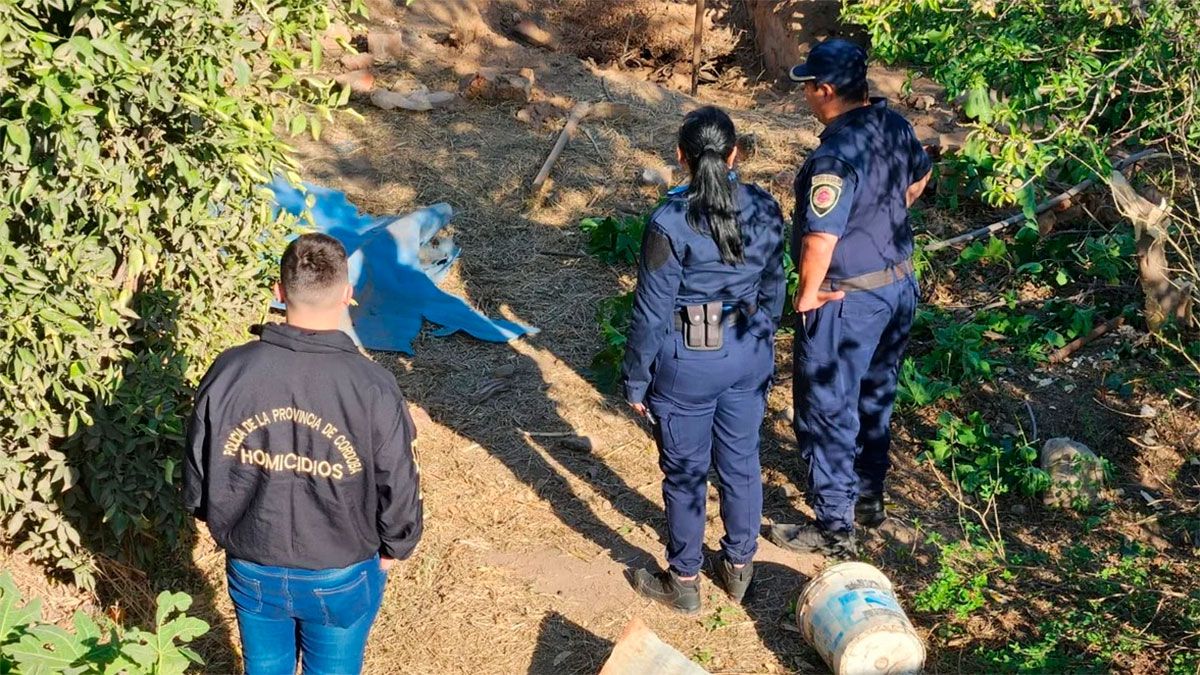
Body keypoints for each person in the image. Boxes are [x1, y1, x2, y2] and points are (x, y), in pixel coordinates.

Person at [184, 233, 423, 675]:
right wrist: (398, 544)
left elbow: (198, 466)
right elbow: (398, 478)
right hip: (341, 569)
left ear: (278, 294)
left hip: (253, 562)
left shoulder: (230, 369)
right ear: (348, 296)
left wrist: (215, 518)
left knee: (266, 666)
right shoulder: (371, 385)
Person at [768, 38, 931, 557]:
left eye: (807, 89)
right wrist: (884, 219)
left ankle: (834, 526)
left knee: (828, 407)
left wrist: (807, 294)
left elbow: (821, 237)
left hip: (848, 299)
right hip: (897, 285)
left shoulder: (834, 157)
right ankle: (868, 499)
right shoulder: (893, 125)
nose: (805, 98)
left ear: (826, 90)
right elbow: (920, 177)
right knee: (875, 397)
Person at [622, 106, 786, 614]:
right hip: (747, 346)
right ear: (735, 154)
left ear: (680, 157)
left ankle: (685, 580)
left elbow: (651, 314)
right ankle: (738, 568)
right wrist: (763, 335)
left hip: (691, 352)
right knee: (741, 462)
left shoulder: (670, 220)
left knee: (686, 472)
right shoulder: (764, 207)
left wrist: (635, 380)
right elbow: (775, 285)